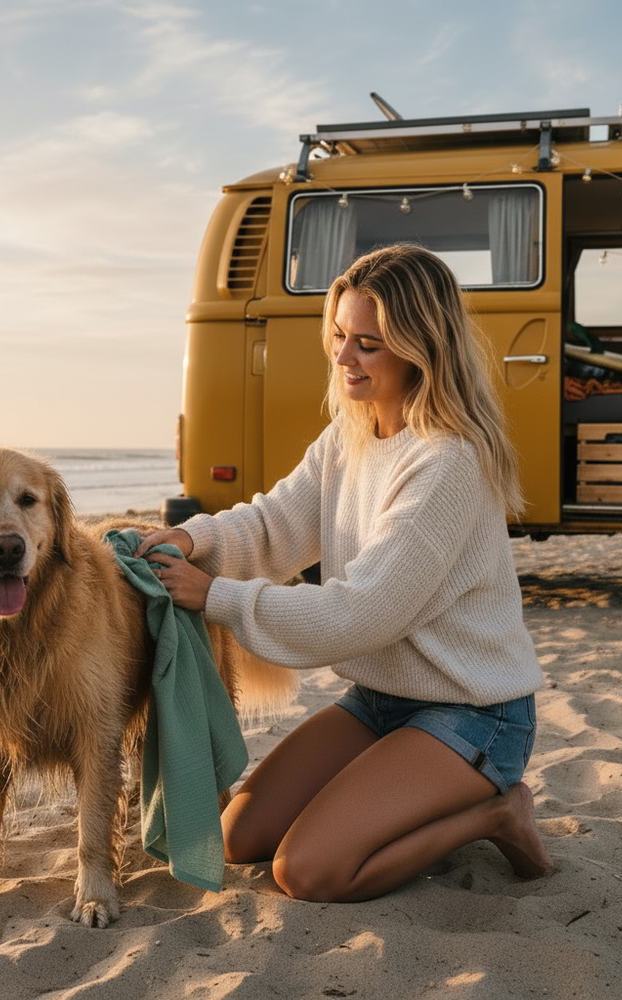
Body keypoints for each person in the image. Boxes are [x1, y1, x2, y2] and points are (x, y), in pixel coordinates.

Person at [134, 243, 554, 903]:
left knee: (308, 871)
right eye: (338, 335)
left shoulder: (446, 463)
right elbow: (274, 525)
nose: (342, 357)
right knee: (238, 837)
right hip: (378, 702)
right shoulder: (347, 437)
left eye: (367, 343)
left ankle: (495, 814)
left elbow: (359, 613)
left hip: (472, 714)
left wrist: (215, 597)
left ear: (421, 347)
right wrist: (191, 539)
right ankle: (401, 791)